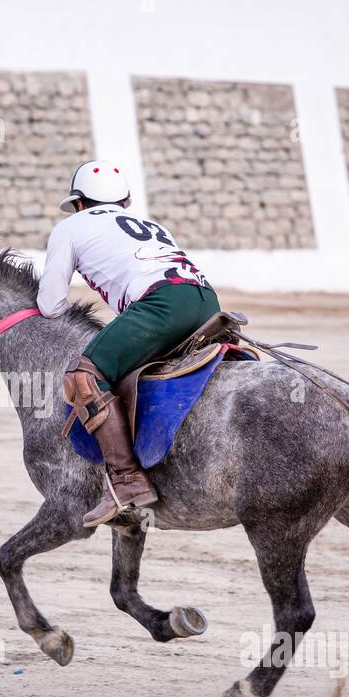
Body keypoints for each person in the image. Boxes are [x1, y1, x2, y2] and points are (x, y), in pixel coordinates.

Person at [38, 161, 222, 527]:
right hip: (208, 303)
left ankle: (126, 481)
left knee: (82, 376)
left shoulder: (70, 227)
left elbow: (50, 305)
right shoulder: (152, 225)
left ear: (78, 204)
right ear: (124, 203)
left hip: (162, 306)